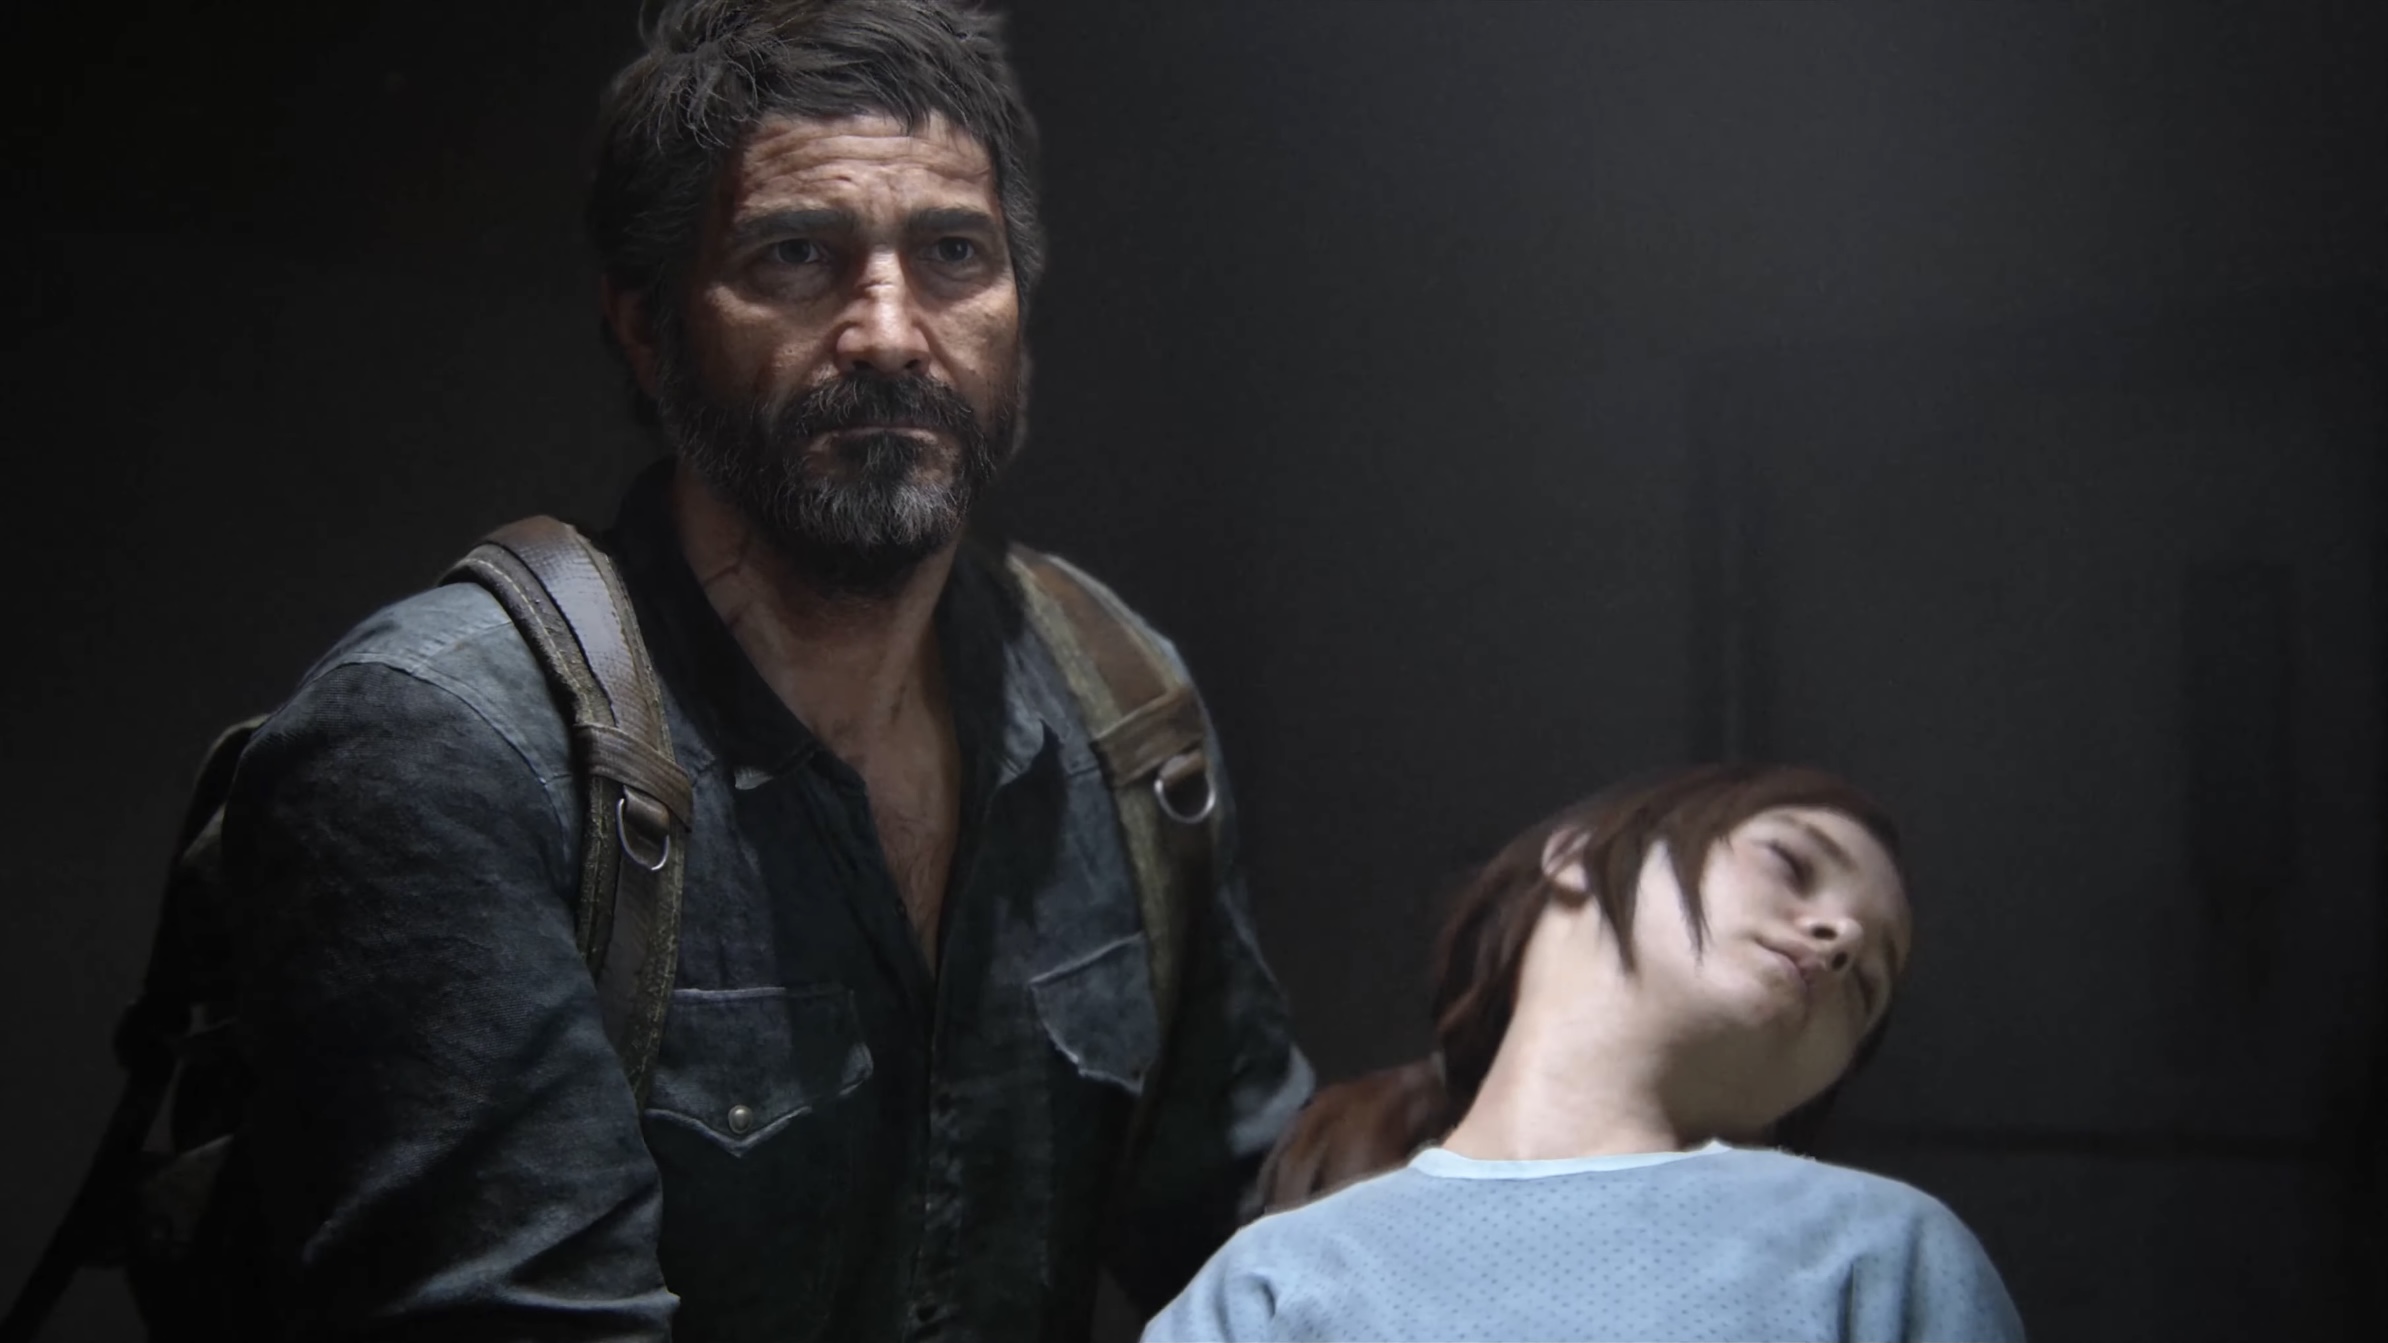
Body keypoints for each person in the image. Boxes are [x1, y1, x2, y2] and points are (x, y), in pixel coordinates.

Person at [210, 1, 1312, 1338]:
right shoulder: (451, 751)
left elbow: (1276, 1248)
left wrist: (1528, 1073)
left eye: (954, 253)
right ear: (647, 324)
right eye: (796, 254)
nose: (891, 331)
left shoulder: (1120, 710)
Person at [1145, 763, 2024, 1343]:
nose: (1840, 937)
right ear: (1573, 857)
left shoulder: (1885, 1255)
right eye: (1792, 865)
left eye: (1868, 982)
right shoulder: (1268, 1282)